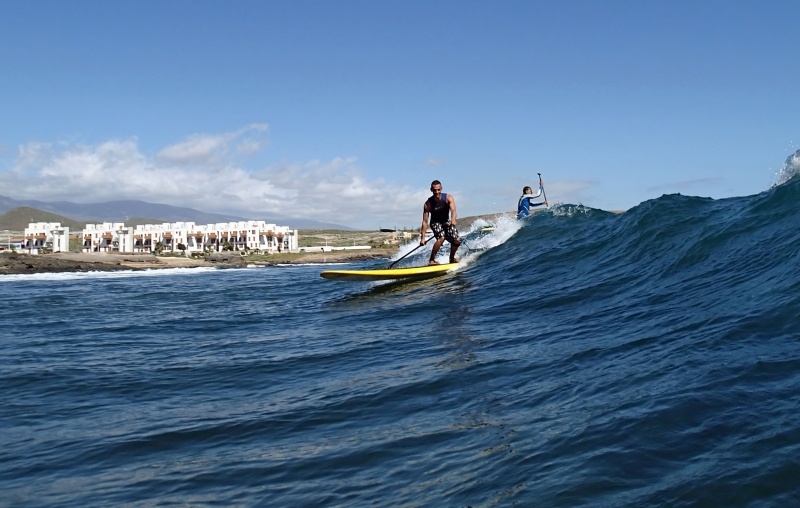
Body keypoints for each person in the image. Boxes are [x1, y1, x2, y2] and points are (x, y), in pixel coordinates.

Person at [420, 180, 461, 265]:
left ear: (441, 189)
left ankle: (452, 258)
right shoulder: (428, 204)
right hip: (435, 223)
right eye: (434, 190)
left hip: (446, 222)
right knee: (441, 237)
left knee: (457, 240)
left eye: (438, 190)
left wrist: (453, 220)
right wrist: (423, 238)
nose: (437, 192)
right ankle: (431, 260)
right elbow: (425, 221)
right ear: (431, 190)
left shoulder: (448, 198)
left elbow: (453, 211)